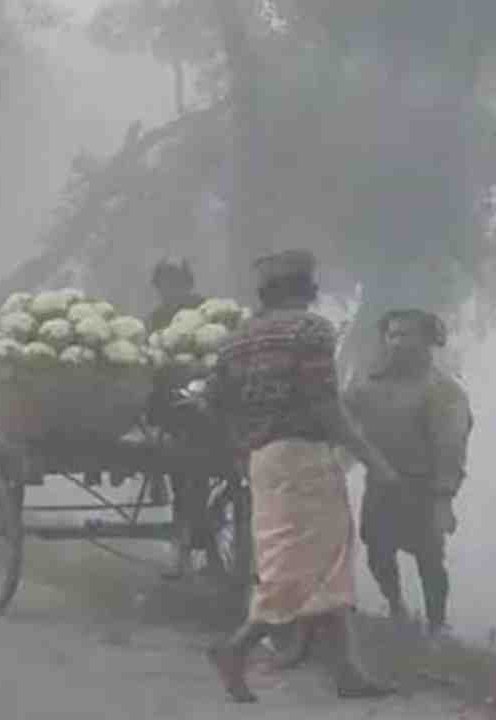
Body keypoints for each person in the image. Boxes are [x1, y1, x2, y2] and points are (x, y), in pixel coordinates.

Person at [197, 249, 398, 703]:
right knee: (302, 566)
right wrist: (373, 459)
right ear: (306, 288)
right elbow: (326, 405)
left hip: (263, 459)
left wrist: (243, 440)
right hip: (304, 456)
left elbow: (211, 401)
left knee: (318, 562)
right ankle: (236, 648)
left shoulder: (236, 339)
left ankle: (346, 672)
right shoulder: (310, 330)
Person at [343, 309, 472, 638]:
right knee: (377, 549)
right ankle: (397, 607)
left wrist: (444, 498)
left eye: (407, 335)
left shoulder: (442, 390)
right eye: (392, 335)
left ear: (427, 341)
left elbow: (450, 447)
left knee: (429, 559)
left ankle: (436, 625)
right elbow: (343, 414)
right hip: (381, 482)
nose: (398, 343)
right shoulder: (369, 382)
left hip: (423, 486)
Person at [145, 257, 210, 579]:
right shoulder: (156, 318)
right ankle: (184, 549)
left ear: (188, 284)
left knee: (198, 481)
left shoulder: (207, 312)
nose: (170, 291)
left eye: (176, 283)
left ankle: (206, 547)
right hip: (173, 411)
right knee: (185, 481)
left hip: (209, 403)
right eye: (165, 285)